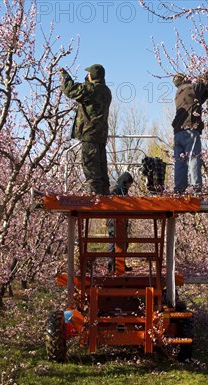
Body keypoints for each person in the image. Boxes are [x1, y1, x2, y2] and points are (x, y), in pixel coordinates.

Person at [171, 51, 208, 194]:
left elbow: (198, 100)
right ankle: (196, 188)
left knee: (180, 162)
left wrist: (206, 91)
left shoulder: (178, 94)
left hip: (177, 131)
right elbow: (206, 78)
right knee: (193, 158)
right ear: (185, 80)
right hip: (190, 129)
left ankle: (179, 190)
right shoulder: (191, 88)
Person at [60, 64, 112, 195]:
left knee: (90, 164)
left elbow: (70, 90)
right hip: (101, 134)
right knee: (101, 165)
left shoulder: (90, 89)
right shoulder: (106, 91)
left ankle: (95, 195)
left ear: (92, 76)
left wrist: (66, 76)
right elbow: (90, 93)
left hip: (89, 133)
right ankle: (104, 192)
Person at [107, 172, 134, 273]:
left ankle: (120, 264)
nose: (129, 186)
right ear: (125, 182)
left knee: (124, 243)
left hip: (122, 221)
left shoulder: (124, 191)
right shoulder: (115, 190)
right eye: (129, 184)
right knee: (113, 243)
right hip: (113, 220)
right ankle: (111, 265)